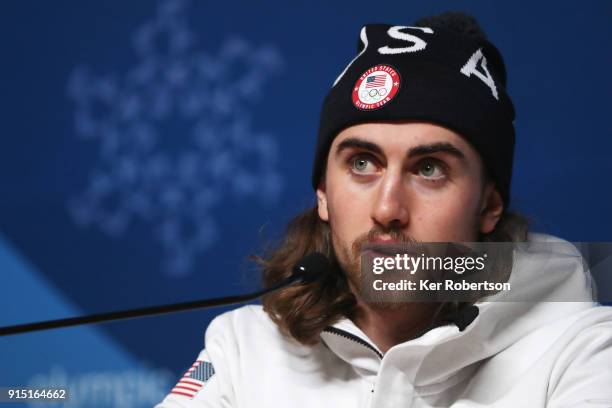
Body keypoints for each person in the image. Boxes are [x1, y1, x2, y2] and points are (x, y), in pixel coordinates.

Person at [155, 12, 612, 407]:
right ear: (323, 194)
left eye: (429, 168)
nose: (388, 208)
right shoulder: (241, 346)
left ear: (489, 204)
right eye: (361, 163)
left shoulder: (584, 351)